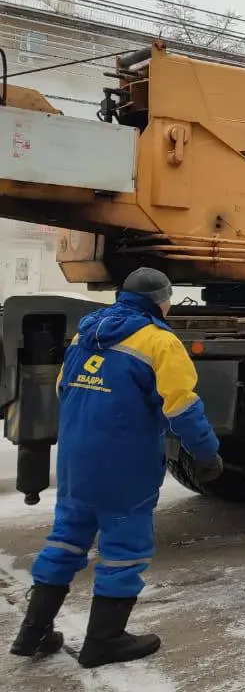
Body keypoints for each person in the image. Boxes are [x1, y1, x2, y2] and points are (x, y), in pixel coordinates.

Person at [9, 267, 223, 668]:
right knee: (124, 548)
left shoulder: (86, 331)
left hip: (76, 460)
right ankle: (104, 640)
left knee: (65, 538)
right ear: (162, 301)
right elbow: (182, 407)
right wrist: (208, 455)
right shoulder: (160, 341)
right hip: (125, 463)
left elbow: (62, 387)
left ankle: (32, 632)